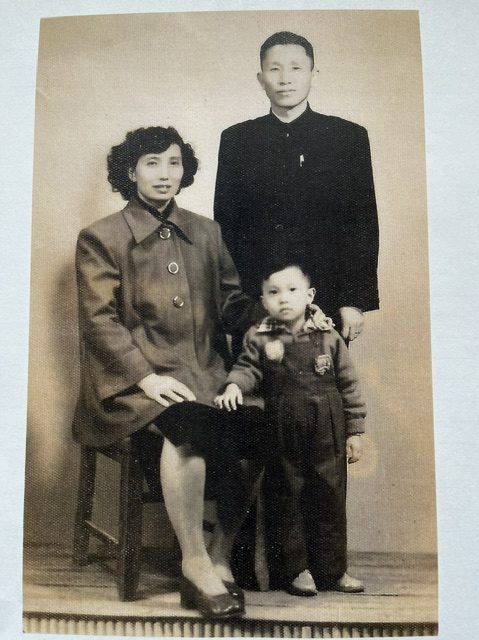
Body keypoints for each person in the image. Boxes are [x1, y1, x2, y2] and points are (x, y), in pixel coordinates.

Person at [72, 126, 266, 618]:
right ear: (130, 171)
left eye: (174, 162)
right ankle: (194, 563)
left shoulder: (207, 232)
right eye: (152, 162)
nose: (164, 173)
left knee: (259, 430)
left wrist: (275, 318)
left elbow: (231, 304)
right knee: (189, 430)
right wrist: (147, 378)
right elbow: (99, 322)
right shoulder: (101, 237)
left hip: (203, 375)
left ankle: (218, 556)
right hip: (132, 388)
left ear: (185, 171)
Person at [214, 31, 379, 349]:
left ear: (313, 74)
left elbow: (362, 224)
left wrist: (354, 301)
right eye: (274, 69)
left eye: (296, 68)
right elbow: (226, 227)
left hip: (326, 295)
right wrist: (235, 305)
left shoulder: (347, 138)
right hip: (257, 300)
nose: (285, 78)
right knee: (253, 378)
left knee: (321, 378)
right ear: (261, 78)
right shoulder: (237, 140)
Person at [215, 262, 366, 595]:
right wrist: (234, 386)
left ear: (309, 295)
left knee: (330, 496)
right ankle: (297, 571)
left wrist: (354, 431)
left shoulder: (328, 334)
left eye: (292, 290)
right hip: (282, 427)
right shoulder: (260, 336)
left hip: (328, 428)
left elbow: (349, 385)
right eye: (274, 292)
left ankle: (333, 571)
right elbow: (247, 368)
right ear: (263, 300)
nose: (283, 298)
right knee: (288, 495)